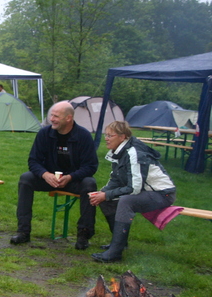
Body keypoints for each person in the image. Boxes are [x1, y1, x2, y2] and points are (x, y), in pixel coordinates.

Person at [10, 101, 98, 249]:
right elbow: (33, 161)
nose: (52, 119)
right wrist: (45, 174)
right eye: (51, 115)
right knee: (26, 179)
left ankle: (84, 234)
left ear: (68, 118)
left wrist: (70, 177)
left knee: (90, 184)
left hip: (73, 179)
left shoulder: (83, 136)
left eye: (56, 116)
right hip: (49, 178)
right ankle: (23, 231)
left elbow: (90, 166)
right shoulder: (45, 133)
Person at [89, 121, 176, 263]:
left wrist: (106, 194)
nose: (106, 138)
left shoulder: (133, 152)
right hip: (146, 192)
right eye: (106, 135)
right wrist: (102, 193)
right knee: (106, 199)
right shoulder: (119, 151)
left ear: (122, 137)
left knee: (126, 201)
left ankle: (115, 252)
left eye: (110, 135)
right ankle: (119, 244)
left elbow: (134, 188)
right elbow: (116, 179)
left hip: (162, 194)